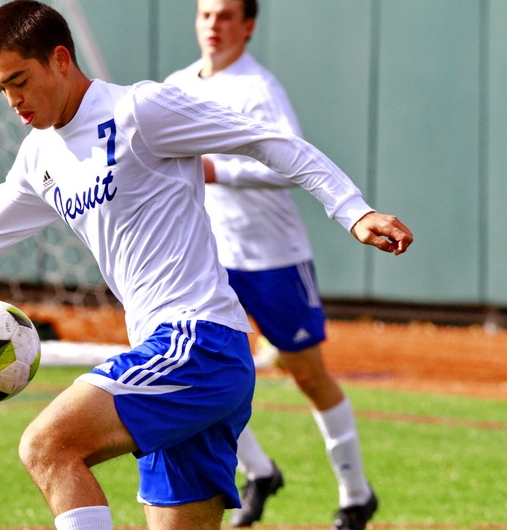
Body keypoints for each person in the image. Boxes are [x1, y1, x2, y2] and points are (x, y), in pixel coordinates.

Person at [0, 1, 413, 529]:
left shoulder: (140, 111)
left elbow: (266, 140)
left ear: (60, 59)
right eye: (0, 89)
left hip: (196, 343)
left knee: (47, 446)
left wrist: (352, 210)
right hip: (183, 357)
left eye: (20, 81)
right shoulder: (39, 158)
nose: (13, 101)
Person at [165, 1, 383, 529]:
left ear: (248, 26)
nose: (213, 25)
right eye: (205, 13)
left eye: (225, 15)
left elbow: (289, 162)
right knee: (209, 370)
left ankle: (356, 494)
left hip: (273, 258)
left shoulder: (257, 87)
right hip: (210, 258)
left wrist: (220, 170)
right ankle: (258, 471)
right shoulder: (175, 86)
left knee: (308, 375)